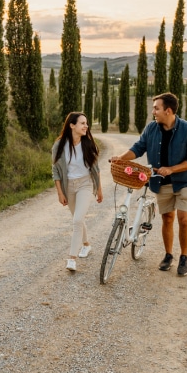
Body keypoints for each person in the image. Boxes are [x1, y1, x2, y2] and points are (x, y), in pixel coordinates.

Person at [111, 92, 187, 276]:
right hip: (161, 182)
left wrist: (172, 169)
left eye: (156, 108)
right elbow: (138, 148)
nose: (153, 112)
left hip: (185, 181)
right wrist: (120, 158)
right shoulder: (151, 128)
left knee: (184, 220)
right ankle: (168, 255)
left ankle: (184, 257)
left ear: (168, 110)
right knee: (167, 218)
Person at [52, 112, 103, 272]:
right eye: (82, 123)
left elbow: (96, 169)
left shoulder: (88, 144)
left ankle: (72, 258)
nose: (86, 126)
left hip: (85, 185)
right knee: (77, 219)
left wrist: (99, 189)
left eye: (86, 123)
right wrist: (60, 193)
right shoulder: (59, 145)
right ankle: (86, 245)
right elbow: (56, 171)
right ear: (72, 125)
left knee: (77, 220)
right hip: (69, 187)